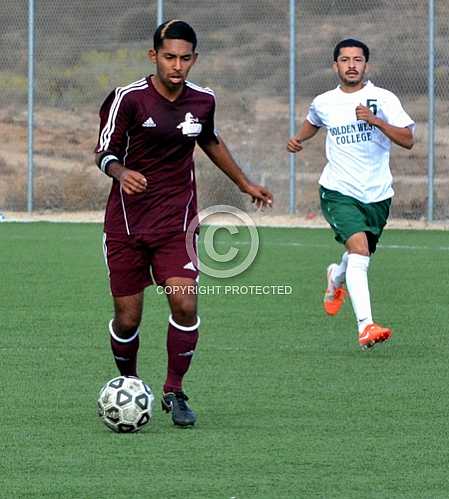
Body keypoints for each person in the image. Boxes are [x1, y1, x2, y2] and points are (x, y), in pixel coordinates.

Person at [95, 20, 273, 426]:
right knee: (128, 317)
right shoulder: (129, 99)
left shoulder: (203, 100)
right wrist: (121, 173)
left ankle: (174, 389)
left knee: (185, 303)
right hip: (126, 226)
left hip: (177, 225)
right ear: (153, 56)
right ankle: (131, 386)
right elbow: (103, 151)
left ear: (195, 59)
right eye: (169, 57)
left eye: (185, 58)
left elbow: (209, 139)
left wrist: (245, 183)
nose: (177, 65)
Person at [287, 39, 415, 350]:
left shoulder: (382, 98)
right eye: (345, 60)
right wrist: (298, 139)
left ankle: (336, 276)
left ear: (366, 65)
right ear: (336, 66)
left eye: (357, 59)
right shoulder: (324, 101)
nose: (352, 65)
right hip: (338, 190)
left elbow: (408, 140)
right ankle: (366, 326)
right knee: (359, 251)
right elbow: (312, 122)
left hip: (377, 193)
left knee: (360, 254)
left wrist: (375, 120)